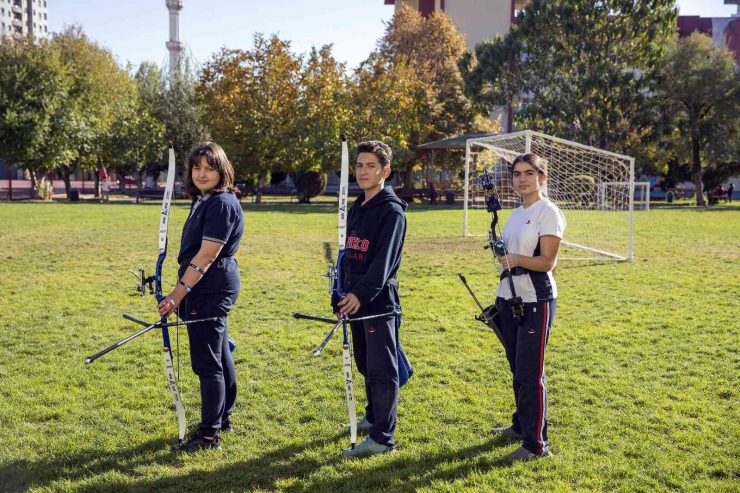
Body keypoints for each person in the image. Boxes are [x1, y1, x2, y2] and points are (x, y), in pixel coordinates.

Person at [158, 142, 244, 453]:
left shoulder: (221, 203)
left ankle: (209, 437)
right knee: (219, 354)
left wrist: (178, 293)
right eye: (197, 168)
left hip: (207, 289)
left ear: (222, 171)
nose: (202, 173)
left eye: (210, 168)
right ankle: (221, 419)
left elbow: (207, 255)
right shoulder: (206, 200)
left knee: (208, 365)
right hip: (208, 286)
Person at [332, 140, 407, 458]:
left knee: (382, 370)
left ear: (385, 171)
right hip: (355, 301)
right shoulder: (357, 206)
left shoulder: (391, 211)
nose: (363, 172)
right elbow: (348, 256)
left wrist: (360, 295)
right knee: (365, 364)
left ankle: (382, 438)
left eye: (370, 166)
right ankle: (374, 415)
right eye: (359, 166)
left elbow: (383, 263)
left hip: (378, 304)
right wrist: (340, 294)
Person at [490, 153, 566, 462]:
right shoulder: (516, 212)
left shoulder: (548, 212)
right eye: (517, 174)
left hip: (535, 301)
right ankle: (522, 425)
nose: (522, 179)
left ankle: (536, 446)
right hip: (508, 297)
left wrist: (517, 260)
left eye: (529, 173)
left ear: (542, 177)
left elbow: (548, 262)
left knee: (530, 373)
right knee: (517, 368)